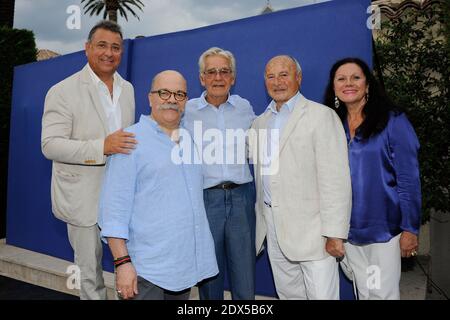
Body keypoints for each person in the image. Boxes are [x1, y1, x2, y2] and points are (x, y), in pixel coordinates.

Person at [98, 70, 218, 300]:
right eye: (164, 93)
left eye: (180, 94)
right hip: (146, 272)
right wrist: (123, 264)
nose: (172, 99)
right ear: (150, 97)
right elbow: (113, 211)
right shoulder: (130, 141)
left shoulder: (189, 140)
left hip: (182, 270)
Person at [41, 20, 136, 300]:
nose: (109, 53)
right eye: (102, 45)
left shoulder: (128, 89)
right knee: (90, 277)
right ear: (87, 48)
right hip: (83, 199)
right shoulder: (62, 91)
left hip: (121, 199)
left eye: (116, 47)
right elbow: (50, 145)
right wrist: (101, 147)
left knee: (127, 269)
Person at [248, 55, 352, 300]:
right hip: (273, 227)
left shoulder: (321, 116)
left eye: (284, 74)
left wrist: (335, 232)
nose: (277, 82)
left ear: (298, 78)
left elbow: (336, 180)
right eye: (271, 76)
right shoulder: (259, 124)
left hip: (314, 232)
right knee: (288, 295)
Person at [323, 57, 421, 300]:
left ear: (367, 85)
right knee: (364, 292)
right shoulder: (332, 125)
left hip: (382, 231)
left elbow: (409, 178)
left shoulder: (392, 121)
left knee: (380, 294)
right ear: (334, 87)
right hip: (346, 229)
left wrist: (410, 228)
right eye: (341, 78)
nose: (349, 83)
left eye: (356, 77)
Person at [182, 47, 256, 300]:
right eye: (211, 72)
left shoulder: (244, 108)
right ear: (201, 78)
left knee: (244, 275)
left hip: (241, 198)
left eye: (224, 71)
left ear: (233, 78)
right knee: (209, 276)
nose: (218, 77)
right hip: (205, 200)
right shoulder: (186, 111)